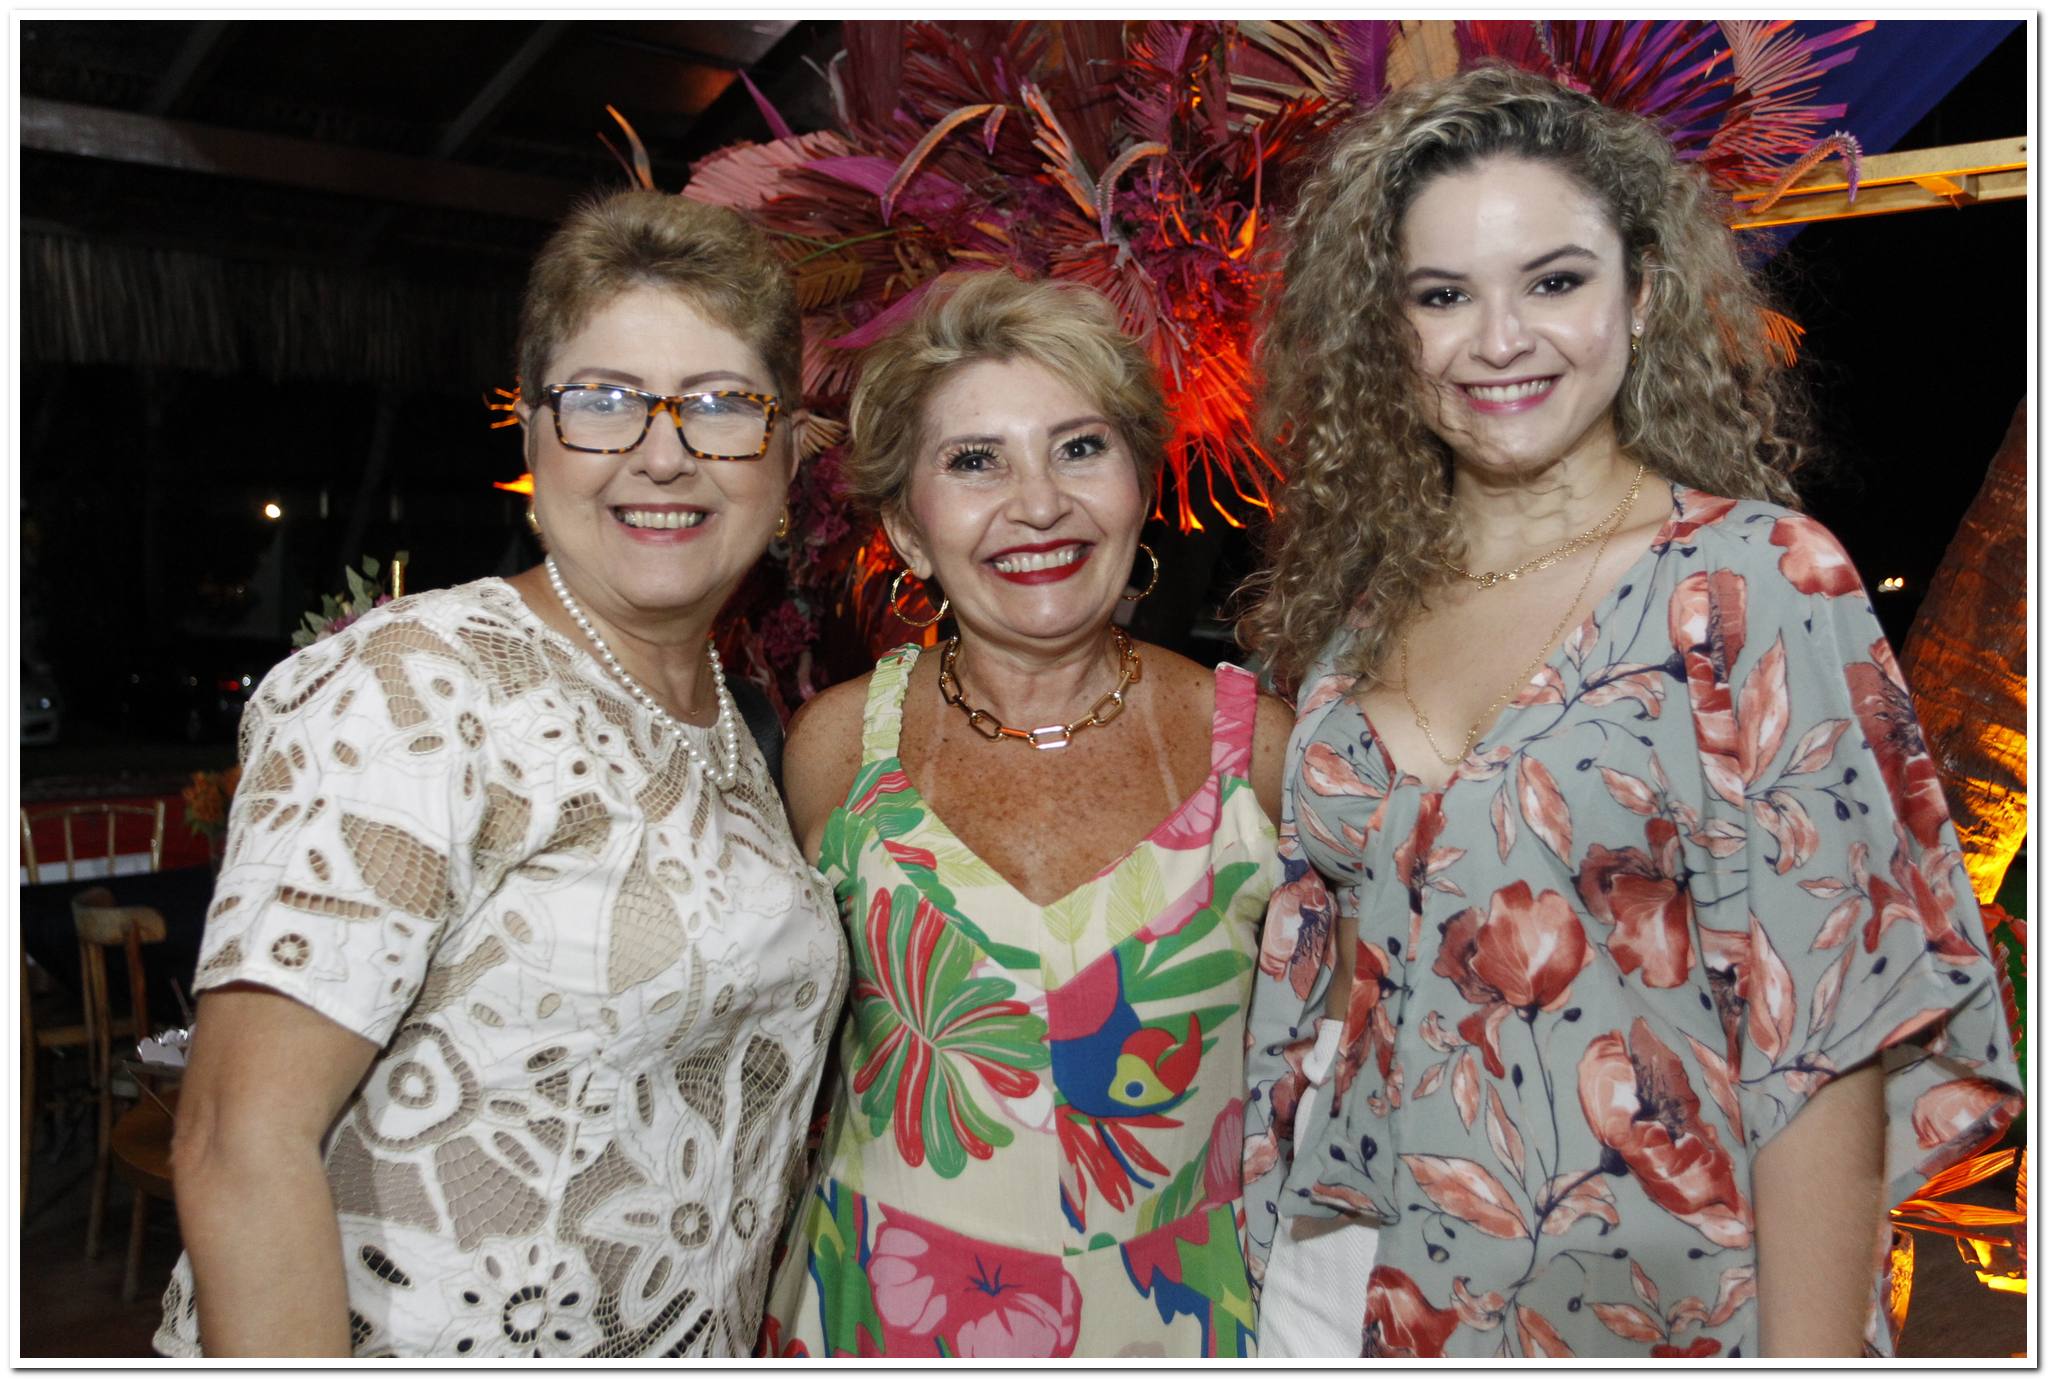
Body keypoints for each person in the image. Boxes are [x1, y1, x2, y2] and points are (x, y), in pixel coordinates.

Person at [1239, 64, 2021, 1359]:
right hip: (1335, 1274)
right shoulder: (1362, 612)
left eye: (1555, 279)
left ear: (1643, 294)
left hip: (1636, 1306)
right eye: (1444, 293)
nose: (1501, 336)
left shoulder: (1752, 586)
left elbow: (1825, 1047)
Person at [155, 189, 847, 1358]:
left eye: (721, 404)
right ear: (530, 439)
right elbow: (237, 1142)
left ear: (782, 457)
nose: (663, 451)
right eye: (603, 402)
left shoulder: (735, 730)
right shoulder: (417, 685)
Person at [761, 270, 1293, 1358]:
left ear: (1142, 483)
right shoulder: (833, 745)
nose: (1038, 502)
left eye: (1079, 447)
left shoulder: (1263, 749)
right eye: (973, 462)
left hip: (1176, 1322)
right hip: (872, 1310)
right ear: (908, 529)